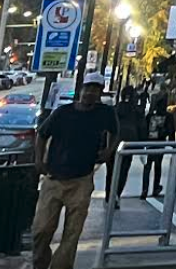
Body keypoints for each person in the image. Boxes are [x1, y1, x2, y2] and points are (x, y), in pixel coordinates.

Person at [31, 79, 119, 269]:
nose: (90, 93)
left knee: (72, 233)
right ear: (81, 90)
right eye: (88, 89)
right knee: (41, 229)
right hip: (54, 178)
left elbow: (115, 131)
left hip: (81, 180)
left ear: (99, 94)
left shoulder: (104, 113)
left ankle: (60, 266)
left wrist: (108, 151)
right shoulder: (63, 113)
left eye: (95, 90)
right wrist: (39, 160)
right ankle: (40, 263)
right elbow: (42, 134)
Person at [108, 89, 148, 201]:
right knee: (123, 170)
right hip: (129, 144)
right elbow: (142, 128)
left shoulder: (115, 109)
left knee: (111, 171)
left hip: (113, 143)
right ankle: (116, 195)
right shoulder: (136, 111)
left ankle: (109, 194)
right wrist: (143, 144)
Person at [141, 99, 176, 198]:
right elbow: (171, 130)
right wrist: (172, 143)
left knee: (147, 167)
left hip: (149, 143)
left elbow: (144, 128)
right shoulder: (168, 116)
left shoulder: (150, 115)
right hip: (160, 143)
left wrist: (142, 142)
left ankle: (144, 190)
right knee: (157, 166)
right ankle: (155, 188)